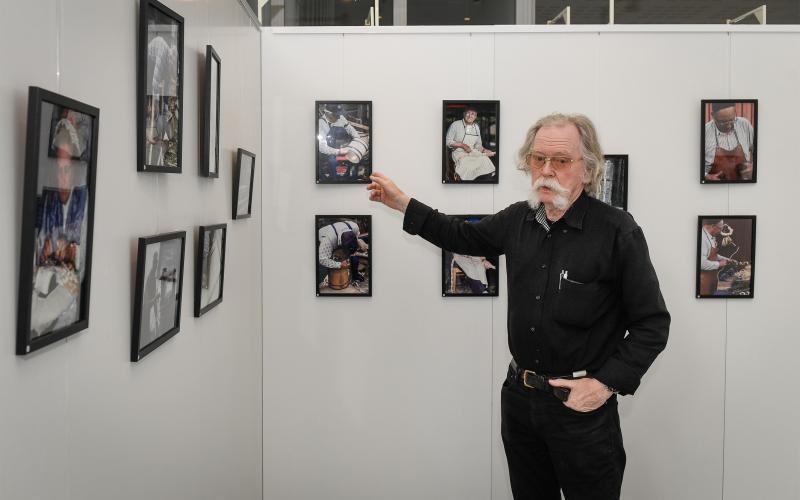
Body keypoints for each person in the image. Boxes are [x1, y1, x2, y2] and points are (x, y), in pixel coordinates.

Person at [367, 113, 670, 500]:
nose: (547, 170)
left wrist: (604, 384)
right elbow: (462, 235)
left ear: (587, 169)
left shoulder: (617, 230)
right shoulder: (518, 219)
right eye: (538, 158)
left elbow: (652, 323)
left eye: (561, 161)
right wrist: (403, 203)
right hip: (521, 402)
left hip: (581, 409)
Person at [31, 120, 89, 337]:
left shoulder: (83, 204)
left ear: (74, 171)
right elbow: (39, 253)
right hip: (44, 287)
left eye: (67, 170)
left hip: (68, 301)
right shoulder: (49, 201)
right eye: (58, 169)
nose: (62, 177)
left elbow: (78, 270)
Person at [704, 102, 754, 181]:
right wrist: (706, 176)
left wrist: (753, 166)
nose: (728, 125)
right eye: (722, 122)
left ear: (735, 112)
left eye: (731, 120)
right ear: (713, 115)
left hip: (743, 184)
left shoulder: (745, 125)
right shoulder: (705, 131)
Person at [445, 107, 497, 181]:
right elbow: (447, 141)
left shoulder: (476, 127)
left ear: (475, 117)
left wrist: (485, 150)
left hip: (472, 153)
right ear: (464, 114)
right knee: (468, 166)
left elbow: (478, 145)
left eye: (473, 114)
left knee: (485, 160)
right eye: (468, 113)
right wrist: (462, 145)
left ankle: (483, 182)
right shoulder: (455, 124)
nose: (470, 116)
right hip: (459, 154)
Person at [317, 220, 369, 289]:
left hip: (338, 240)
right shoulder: (327, 241)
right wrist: (339, 264)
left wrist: (358, 245)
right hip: (321, 242)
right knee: (322, 270)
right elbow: (322, 260)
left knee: (354, 258)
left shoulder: (354, 227)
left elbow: (356, 238)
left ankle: (355, 276)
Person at [318, 105, 361, 180]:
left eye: (339, 115)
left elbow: (350, 128)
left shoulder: (340, 118)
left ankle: (349, 178)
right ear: (328, 113)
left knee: (356, 157)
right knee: (333, 161)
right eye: (336, 115)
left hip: (340, 146)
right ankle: (334, 180)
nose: (339, 117)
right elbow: (322, 147)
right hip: (327, 150)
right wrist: (339, 151)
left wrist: (357, 139)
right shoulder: (321, 124)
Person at [699, 218, 732, 295]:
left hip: (712, 278)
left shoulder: (710, 236)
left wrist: (726, 259)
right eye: (720, 228)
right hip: (704, 282)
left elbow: (712, 255)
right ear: (713, 226)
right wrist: (720, 264)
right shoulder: (702, 238)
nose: (721, 231)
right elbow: (702, 263)